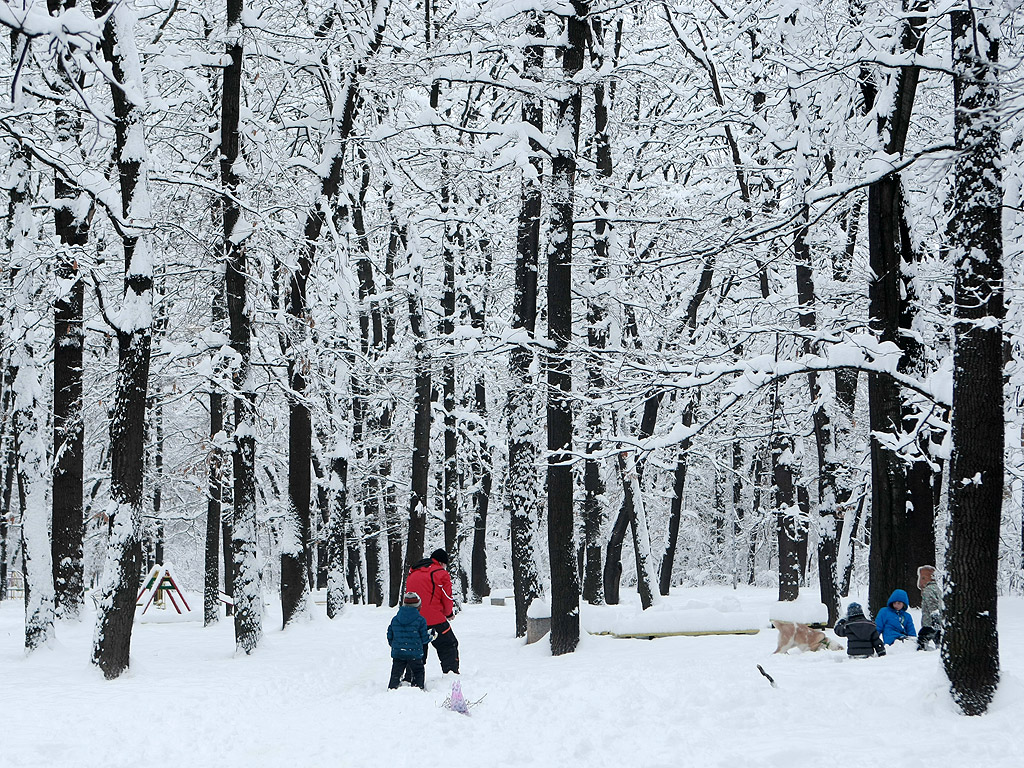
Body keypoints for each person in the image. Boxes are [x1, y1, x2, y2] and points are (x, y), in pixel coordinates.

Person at [406, 548, 460, 674]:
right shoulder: (441, 573)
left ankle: (412, 678)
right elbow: (447, 597)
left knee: (416, 649)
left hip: (413, 619)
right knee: (448, 645)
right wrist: (449, 613)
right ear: (442, 563)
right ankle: (451, 674)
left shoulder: (413, 572)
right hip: (434, 619)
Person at [387, 592, 432, 689]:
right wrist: (431, 637)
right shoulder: (421, 620)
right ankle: (418, 688)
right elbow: (424, 639)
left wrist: (395, 645)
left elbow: (390, 635)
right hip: (415, 653)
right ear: (418, 606)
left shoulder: (395, 619)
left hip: (398, 652)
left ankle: (392, 688)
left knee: (396, 672)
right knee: (418, 671)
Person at [916, 565, 943, 651]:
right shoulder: (937, 589)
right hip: (938, 622)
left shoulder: (928, 590)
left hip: (929, 623)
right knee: (938, 639)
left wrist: (935, 619)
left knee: (923, 638)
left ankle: (921, 651)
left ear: (924, 578)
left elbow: (932, 605)